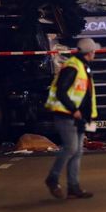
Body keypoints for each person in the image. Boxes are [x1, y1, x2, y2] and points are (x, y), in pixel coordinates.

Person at [44, 38, 99, 199]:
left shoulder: (82, 66)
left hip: (79, 116)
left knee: (78, 151)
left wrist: (88, 116)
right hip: (66, 114)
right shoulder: (73, 67)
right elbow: (61, 91)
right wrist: (73, 109)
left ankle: (74, 186)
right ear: (90, 53)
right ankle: (52, 179)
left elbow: (85, 95)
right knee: (71, 148)